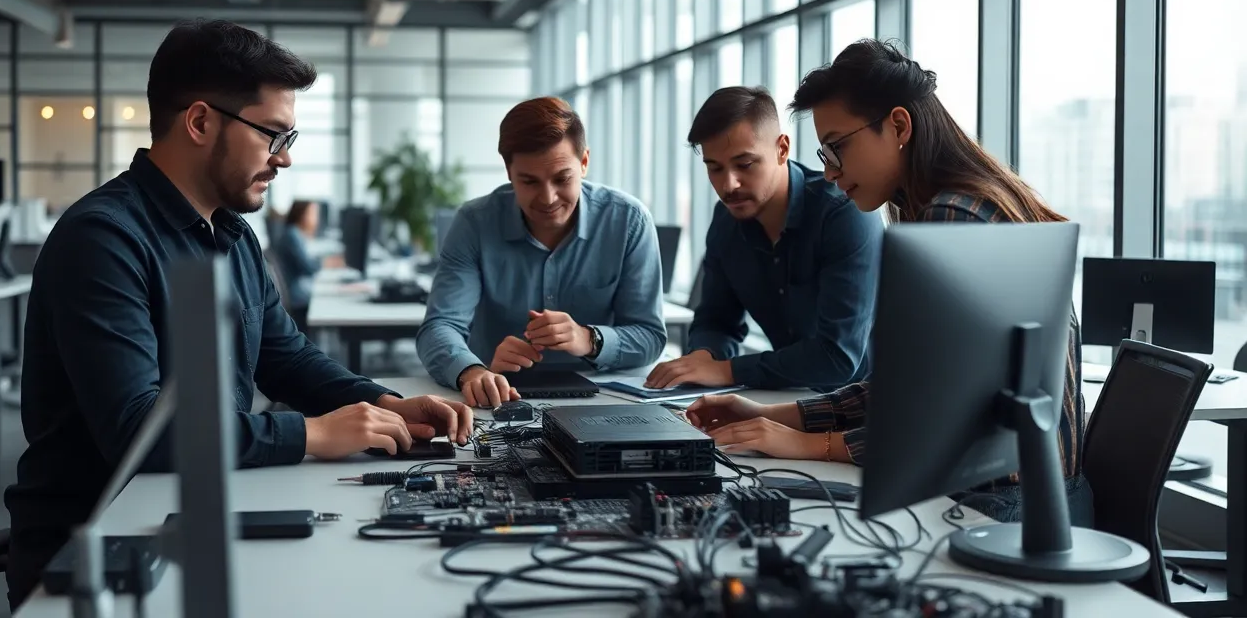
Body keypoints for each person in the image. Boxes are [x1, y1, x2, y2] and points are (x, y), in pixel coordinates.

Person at [4, 20, 473, 610]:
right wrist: (313, 433)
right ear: (200, 122)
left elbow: (286, 357)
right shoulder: (103, 239)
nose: (285, 160)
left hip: (201, 503)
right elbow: (137, 432)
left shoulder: (232, 235)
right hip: (102, 543)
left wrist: (386, 403)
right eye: (272, 135)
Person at [685, 39, 1089, 525]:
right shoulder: (950, 207)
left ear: (897, 126)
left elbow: (943, 421)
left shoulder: (954, 219)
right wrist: (775, 415)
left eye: (838, 148)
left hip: (1009, 509)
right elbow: (912, 388)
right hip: (1015, 495)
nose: (831, 172)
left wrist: (809, 444)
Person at [417, 96, 667, 408]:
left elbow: (650, 336)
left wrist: (588, 338)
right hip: (498, 399)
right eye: (529, 182)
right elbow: (439, 328)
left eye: (562, 179)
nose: (548, 198)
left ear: (584, 163)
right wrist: (471, 371)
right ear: (509, 172)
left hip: (604, 399)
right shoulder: (475, 223)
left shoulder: (628, 220)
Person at [645, 86, 883, 391]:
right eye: (714, 168)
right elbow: (717, 321)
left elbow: (837, 358)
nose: (729, 184)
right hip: (788, 399)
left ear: (782, 149)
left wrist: (727, 371)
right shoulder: (726, 221)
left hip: (867, 409)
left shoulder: (842, 213)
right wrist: (703, 359)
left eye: (744, 164)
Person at [274, 199, 342, 332]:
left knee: (335, 291)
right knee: (335, 297)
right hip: (297, 295)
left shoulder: (296, 233)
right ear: (301, 214)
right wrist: (327, 263)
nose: (316, 218)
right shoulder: (292, 235)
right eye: (312, 213)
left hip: (298, 288)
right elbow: (308, 268)